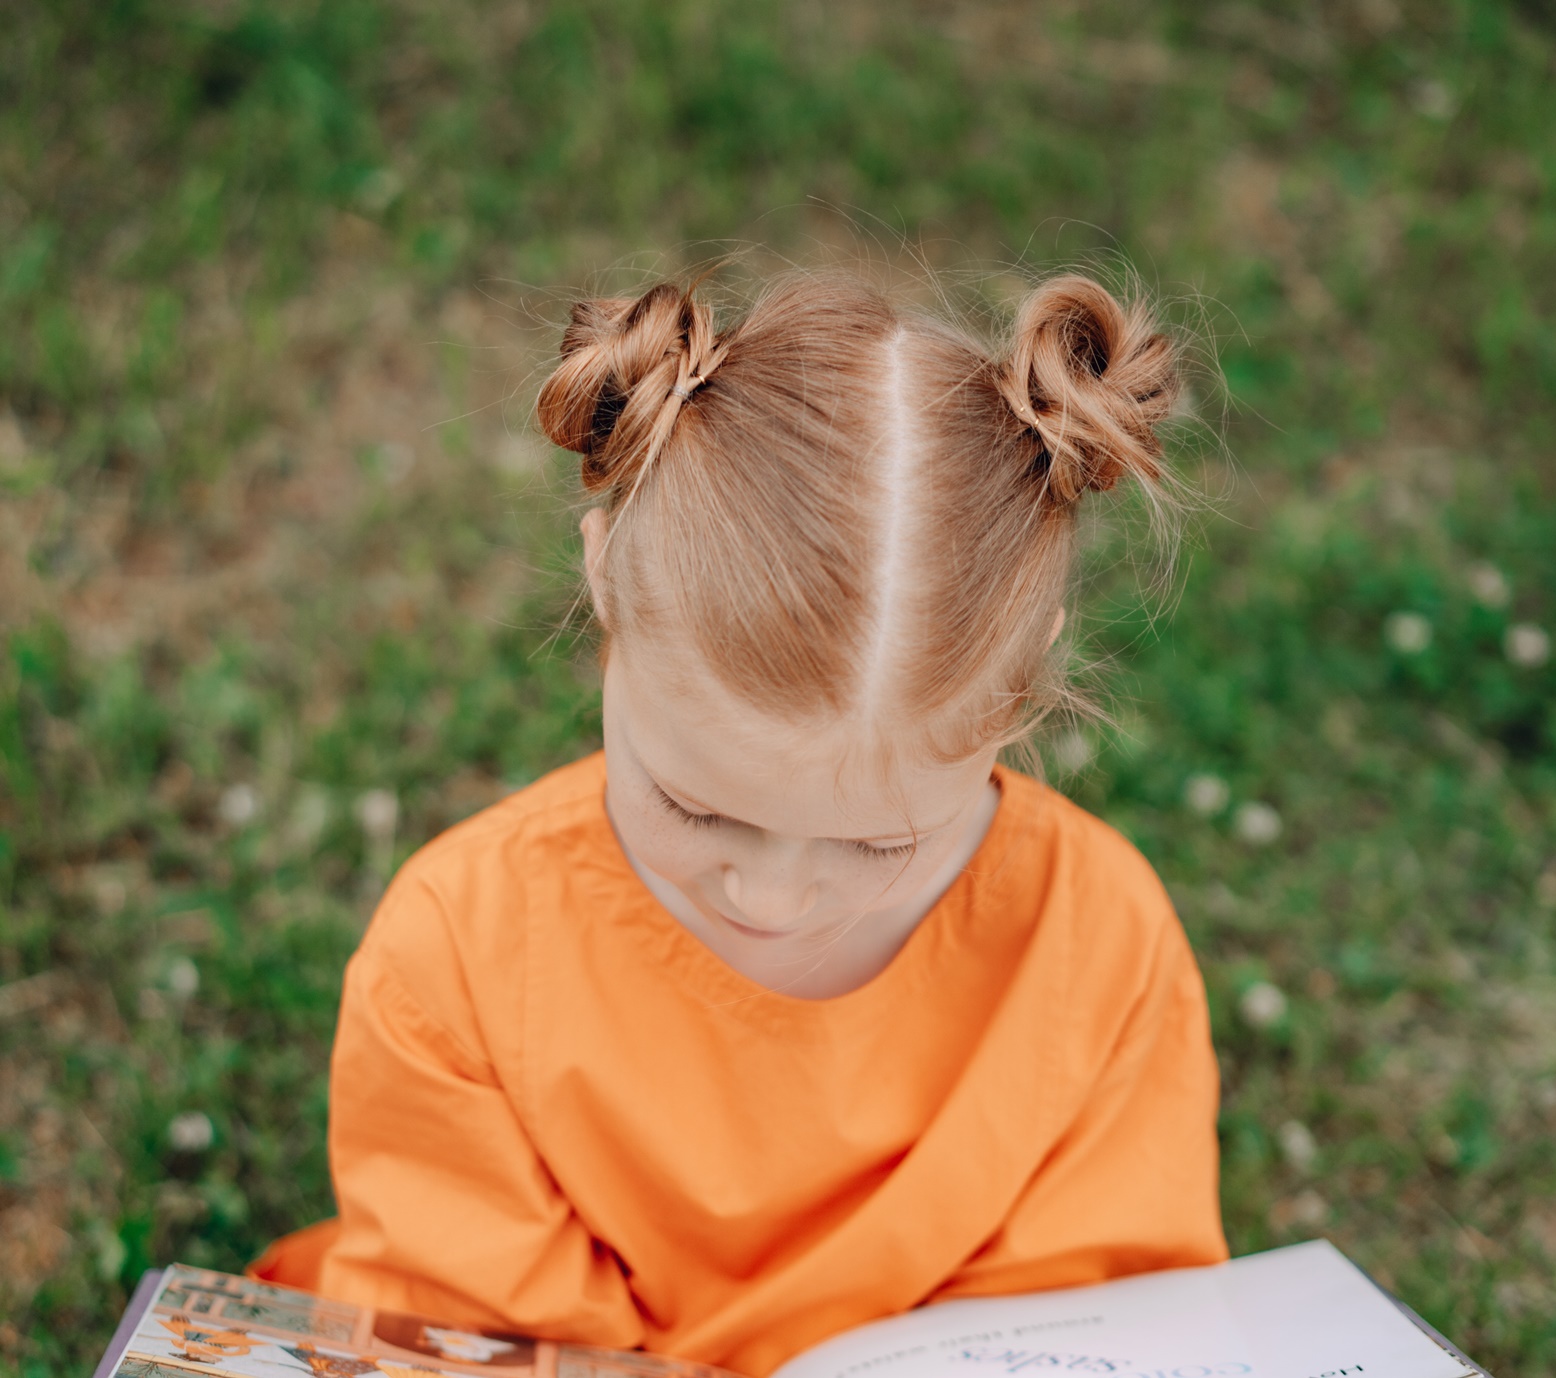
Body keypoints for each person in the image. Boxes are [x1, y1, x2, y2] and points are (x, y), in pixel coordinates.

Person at [252, 268, 1228, 1377]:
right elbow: (465, 1328)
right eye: (695, 806)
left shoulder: (1095, 945)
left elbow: (1098, 1317)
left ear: (1028, 677)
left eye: (875, 843)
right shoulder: (461, 951)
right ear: (603, 576)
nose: (771, 897)